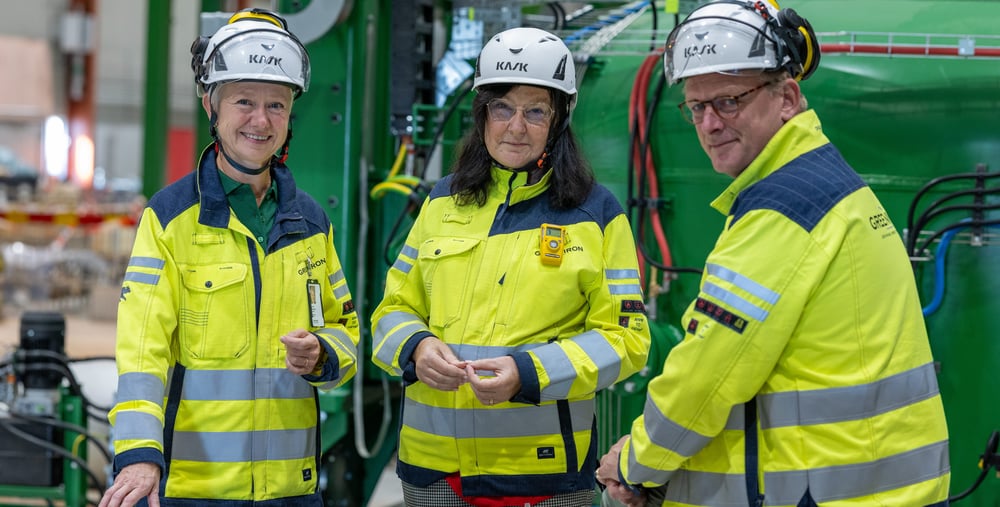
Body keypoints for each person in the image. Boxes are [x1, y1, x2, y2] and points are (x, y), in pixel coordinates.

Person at [596, 2, 950, 506]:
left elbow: (707, 376)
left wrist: (635, 465)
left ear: (787, 97)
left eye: (730, 101)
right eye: (697, 107)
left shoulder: (785, 208)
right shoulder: (827, 184)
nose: (710, 123)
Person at [370, 26, 651, 507]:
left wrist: (529, 371)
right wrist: (416, 347)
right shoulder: (442, 202)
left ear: (559, 118)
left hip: (543, 478)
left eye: (535, 111)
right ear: (482, 114)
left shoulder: (596, 215)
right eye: (502, 108)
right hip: (435, 472)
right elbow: (392, 309)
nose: (516, 127)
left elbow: (626, 339)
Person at [99, 8, 359, 507]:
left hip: (293, 493)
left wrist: (322, 353)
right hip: (196, 492)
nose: (261, 120)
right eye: (244, 101)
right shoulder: (171, 219)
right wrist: (137, 453)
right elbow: (141, 352)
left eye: (277, 105)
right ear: (210, 105)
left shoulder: (310, 223)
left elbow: (346, 332)